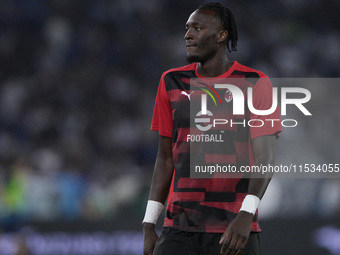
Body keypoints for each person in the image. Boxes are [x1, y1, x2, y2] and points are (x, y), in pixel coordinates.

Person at [142, 2, 281, 255]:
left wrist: (246, 214)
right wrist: (149, 222)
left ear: (221, 35)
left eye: (197, 27)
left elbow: (265, 158)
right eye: (187, 28)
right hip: (179, 229)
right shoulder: (171, 81)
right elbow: (165, 158)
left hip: (234, 229)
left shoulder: (256, 83)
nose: (188, 34)